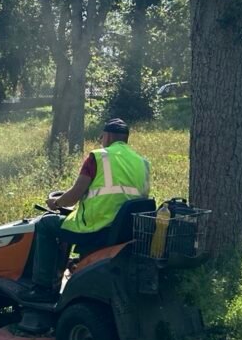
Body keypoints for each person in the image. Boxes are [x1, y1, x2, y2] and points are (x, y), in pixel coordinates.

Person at [27, 118, 151, 301]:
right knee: (65, 223)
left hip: (96, 228)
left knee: (45, 224)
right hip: (125, 229)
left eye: (102, 137)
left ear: (107, 136)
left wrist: (57, 203)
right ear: (125, 139)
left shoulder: (98, 157)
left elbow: (76, 194)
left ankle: (43, 288)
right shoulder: (142, 162)